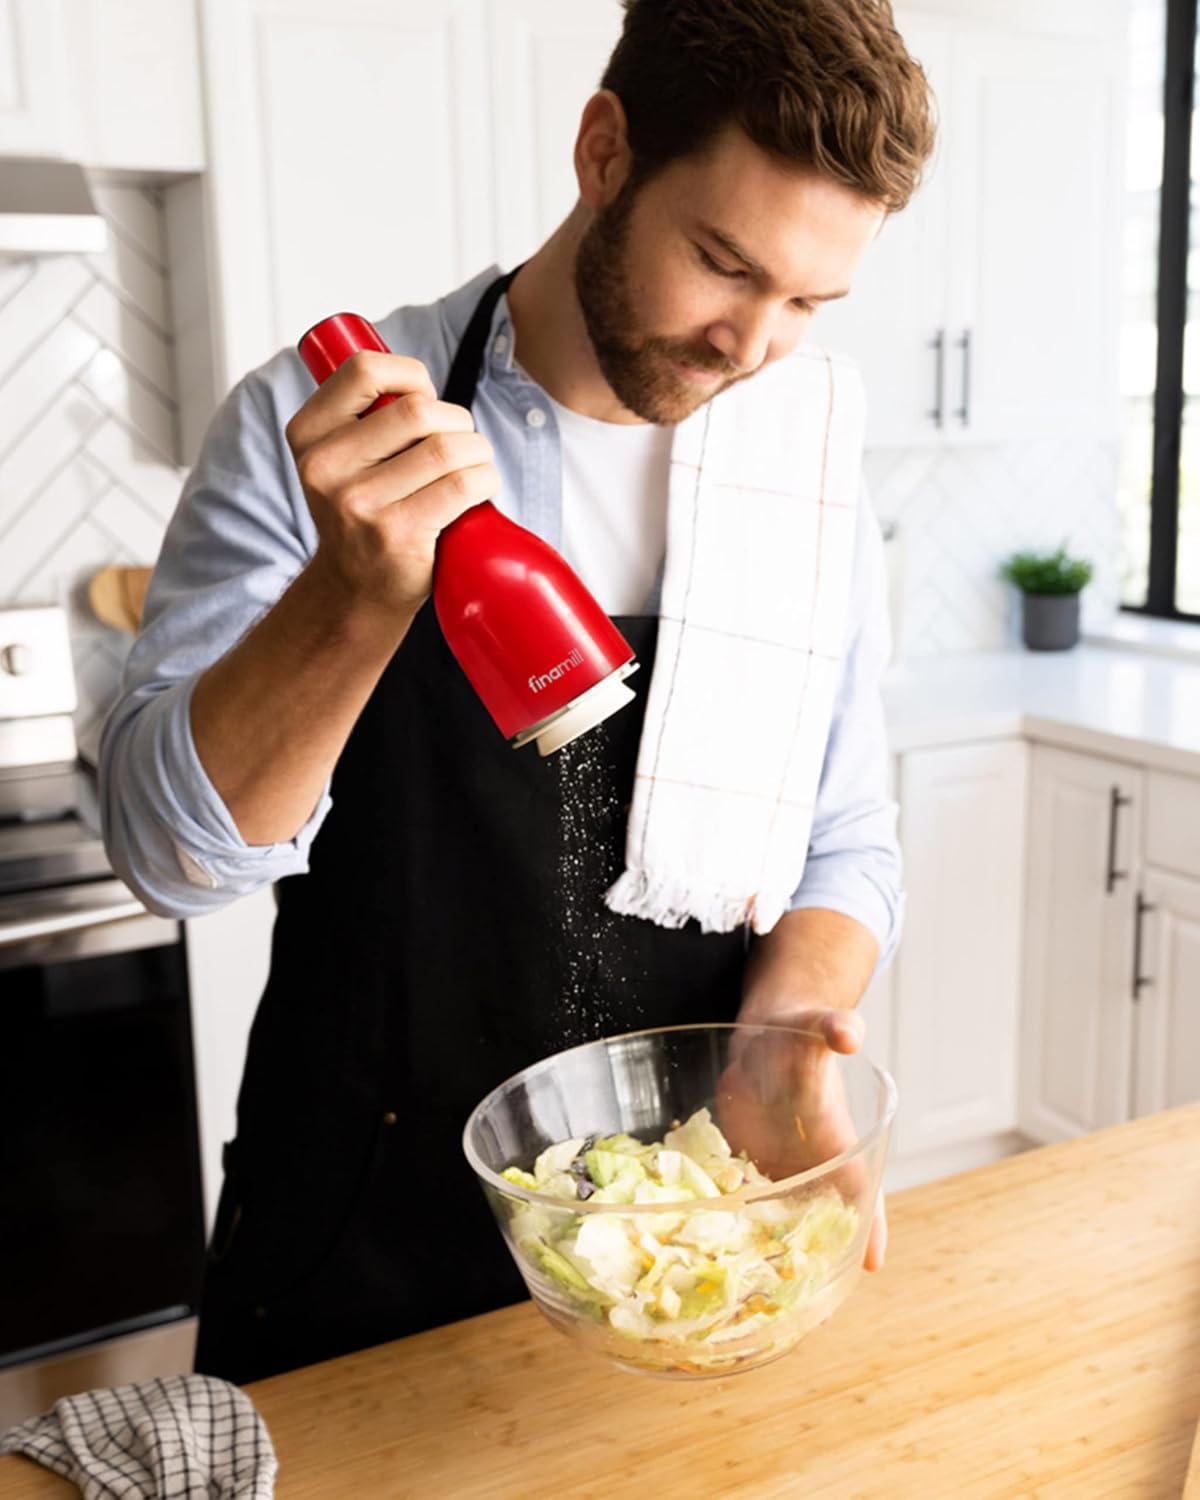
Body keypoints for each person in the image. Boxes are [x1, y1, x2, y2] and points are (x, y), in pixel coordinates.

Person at [100, 0, 935, 1384]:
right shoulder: (334, 425)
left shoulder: (805, 460)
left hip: (674, 1250)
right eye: (724, 265)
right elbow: (166, 858)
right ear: (603, 150)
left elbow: (847, 834)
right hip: (353, 1248)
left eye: (808, 303)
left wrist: (792, 1027)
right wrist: (354, 600)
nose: (752, 347)